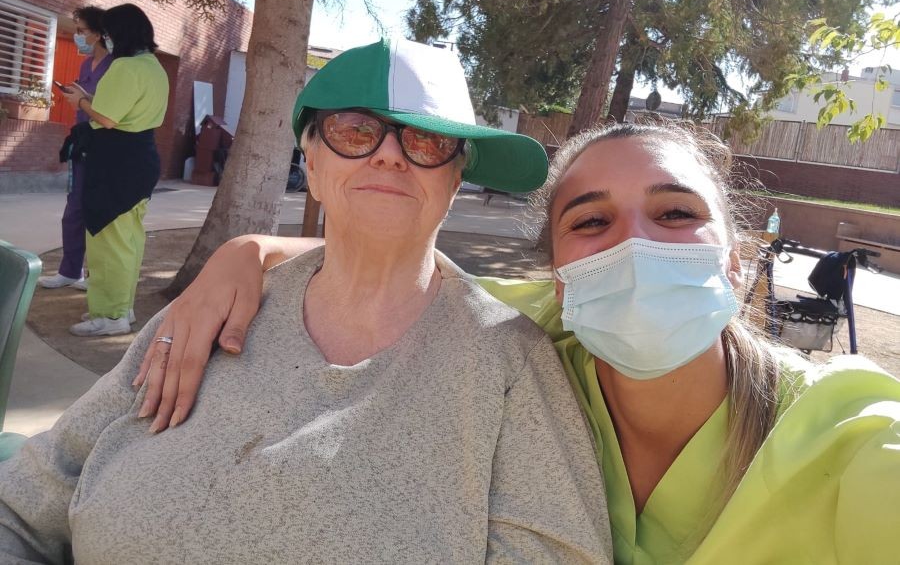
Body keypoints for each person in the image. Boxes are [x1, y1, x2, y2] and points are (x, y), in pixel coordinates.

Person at [136, 122, 900, 562]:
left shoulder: (852, 433)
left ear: (737, 263)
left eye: (675, 214)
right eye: (591, 222)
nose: (632, 246)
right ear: (558, 281)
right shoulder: (524, 335)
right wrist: (249, 253)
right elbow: (399, 271)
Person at [0, 39, 613, 563]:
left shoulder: (509, 363)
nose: (388, 154)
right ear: (312, 164)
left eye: (426, 141)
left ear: (455, 180)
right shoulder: (205, 315)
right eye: (355, 130)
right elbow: (22, 505)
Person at [59, 3, 168, 336]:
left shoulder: (124, 67)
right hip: (140, 160)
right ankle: (123, 308)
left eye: (106, 32)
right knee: (128, 241)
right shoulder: (153, 67)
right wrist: (90, 97)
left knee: (107, 244)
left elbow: (107, 118)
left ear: (118, 33)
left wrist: (80, 102)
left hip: (115, 164)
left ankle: (110, 316)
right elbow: (121, 110)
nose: (103, 38)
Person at [38, 6, 114, 290]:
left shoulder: (117, 65)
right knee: (74, 209)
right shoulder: (85, 65)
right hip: (82, 143)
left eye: (82, 31)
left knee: (100, 210)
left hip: (106, 146)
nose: (78, 36)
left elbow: (112, 108)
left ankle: (99, 276)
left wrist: (85, 98)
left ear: (99, 33)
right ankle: (70, 271)